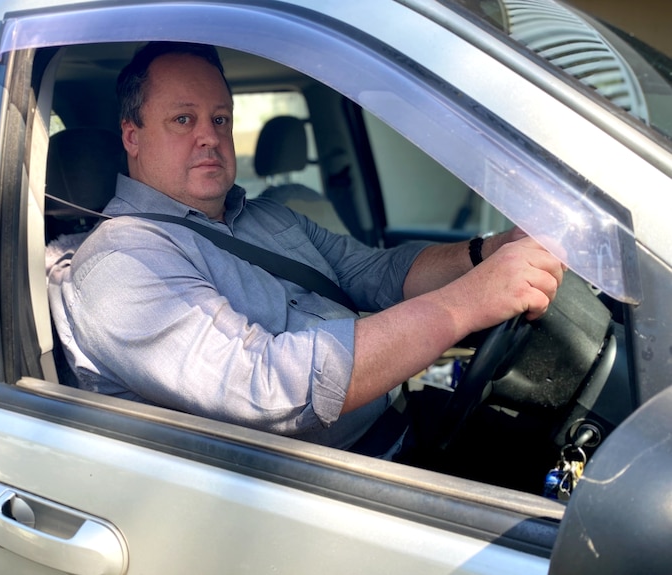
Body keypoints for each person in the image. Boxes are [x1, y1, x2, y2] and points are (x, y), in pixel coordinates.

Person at [50, 42, 565, 453]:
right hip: (326, 496)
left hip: (403, 431)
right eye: (183, 120)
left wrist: (492, 250)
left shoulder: (267, 215)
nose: (209, 136)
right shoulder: (120, 263)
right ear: (132, 137)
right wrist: (467, 303)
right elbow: (267, 387)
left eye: (221, 118)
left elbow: (379, 272)